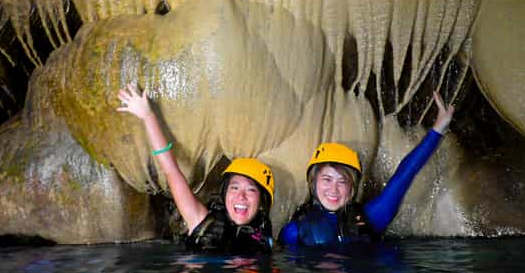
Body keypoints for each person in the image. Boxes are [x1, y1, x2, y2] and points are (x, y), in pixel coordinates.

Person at [279, 91, 455, 248]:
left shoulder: (372, 218)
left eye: (342, 181)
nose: (334, 189)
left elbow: (403, 176)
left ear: (352, 189)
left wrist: (438, 130)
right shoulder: (293, 232)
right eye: (327, 179)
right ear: (313, 183)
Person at [117, 82, 274, 253]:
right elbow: (171, 170)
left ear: (261, 203)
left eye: (251, 190)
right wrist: (148, 116)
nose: (241, 197)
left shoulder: (264, 240)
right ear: (224, 194)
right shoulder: (200, 220)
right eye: (234, 188)